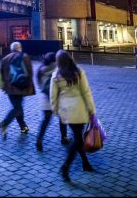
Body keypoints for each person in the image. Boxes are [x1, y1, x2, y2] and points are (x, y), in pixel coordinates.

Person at [50, 50, 96, 182]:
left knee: (78, 138)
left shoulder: (56, 75)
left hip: (65, 111)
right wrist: (92, 109)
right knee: (77, 139)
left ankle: (85, 163)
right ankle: (66, 166)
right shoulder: (79, 72)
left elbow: (53, 96)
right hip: (79, 109)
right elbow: (86, 92)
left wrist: (55, 110)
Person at [0, 41, 35, 138]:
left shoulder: (5, 59)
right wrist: (28, 84)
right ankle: (5, 123)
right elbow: (30, 72)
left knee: (17, 106)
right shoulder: (25, 56)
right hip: (21, 86)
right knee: (17, 107)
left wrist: (3, 86)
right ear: (20, 48)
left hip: (10, 87)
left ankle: (23, 126)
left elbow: (1, 73)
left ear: (11, 49)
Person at [35, 51, 70, 151]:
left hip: (45, 99)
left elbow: (40, 85)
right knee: (62, 119)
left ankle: (39, 140)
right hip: (58, 98)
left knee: (45, 121)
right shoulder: (58, 68)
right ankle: (64, 138)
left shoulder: (40, 70)